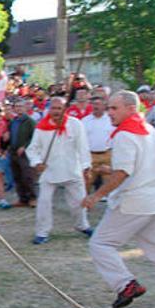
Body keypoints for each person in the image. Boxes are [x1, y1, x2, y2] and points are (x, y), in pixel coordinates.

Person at [83, 90, 155, 308]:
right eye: (109, 107)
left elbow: (124, 172)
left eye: (114, 108)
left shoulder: (124, 135)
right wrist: (110, 170)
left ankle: (125, 284)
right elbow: (139, 166)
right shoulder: (150, 130)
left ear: (131, 108)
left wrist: (96, 195)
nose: (109, 112)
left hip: (136, 202)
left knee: (100, 244)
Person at [26, 97, 92, 245]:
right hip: (49, 172)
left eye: (59, 108)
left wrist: (86, 166)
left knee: (78, 203)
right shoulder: (41, 127)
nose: (56, 111)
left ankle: (82, 225)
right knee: (44, 203)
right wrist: (37, 163)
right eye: (53, 108)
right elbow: (32, 149)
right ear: (49, 110)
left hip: (72, 170)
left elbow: (83, 147)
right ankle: (42, 232)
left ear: (65, 109)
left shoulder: (76, 124)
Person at [81, 94, 115, 190]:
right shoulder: (85, 121)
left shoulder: (110, 119)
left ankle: (111, 204)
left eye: (99, 104)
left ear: (104, 106)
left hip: (107, 154)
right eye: (94, 104)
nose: (96, 106)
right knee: (87, 181)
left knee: (110, 183)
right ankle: (84, 204)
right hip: (91, 155)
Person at [7, 100, 37, 207]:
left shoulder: (30, 121)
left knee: (27, 176)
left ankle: (32, 198)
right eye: (17, 106)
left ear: (25, 108)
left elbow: (35, 137)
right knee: (17, 176)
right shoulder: (13, 121)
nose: (19, 108)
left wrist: (25, 146)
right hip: (13, 152)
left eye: (21, 106)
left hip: (25, 153)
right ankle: (22, 198)